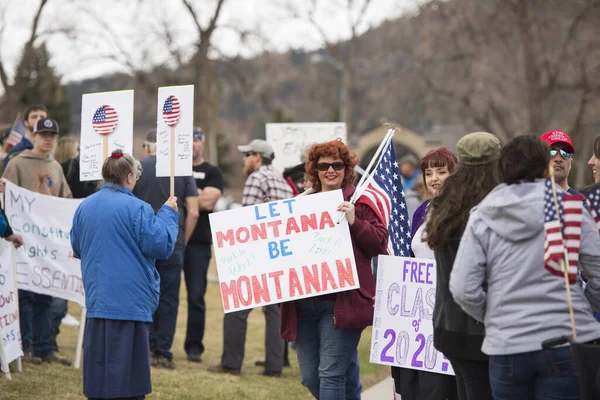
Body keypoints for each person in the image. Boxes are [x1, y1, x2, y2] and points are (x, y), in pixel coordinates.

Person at [450, 135, 600, 400]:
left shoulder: (482, 215)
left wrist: (493, 316)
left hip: (507, 344)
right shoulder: (570, 208)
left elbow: (462, 288)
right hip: (564, 338)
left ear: (502, 170)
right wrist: (585, 306)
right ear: (545, 168)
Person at [280, 139, 389, 399]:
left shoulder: (360, 202)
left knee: (331, 373)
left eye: (337, 165)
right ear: (314, 171)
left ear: (346, 168)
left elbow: (379, 243)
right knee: (310, 377)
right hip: (305, 304)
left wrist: (354, 221)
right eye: (323, 166)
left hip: (342, 303)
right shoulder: (300, 203)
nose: (330, 170)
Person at [71, 149, 179, 400]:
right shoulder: (138, 208)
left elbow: (77, 246)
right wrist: (168, 213)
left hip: (98, 299)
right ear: (129, 177)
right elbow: (161, 245)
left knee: (99, 372)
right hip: (129, 303)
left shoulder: (85, 206)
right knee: (128, 381)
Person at [425, 133, 500, 400]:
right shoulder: (491, 206)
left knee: (466, 389)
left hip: (449, 324)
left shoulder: (445, 204)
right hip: (480, 326)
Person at [209, 139, 293, 377]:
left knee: (237, 308)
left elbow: (247, 218)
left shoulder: (256, 178)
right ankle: (274, 366)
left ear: (257, 157)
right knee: (275, 311)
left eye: (247, 155)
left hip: (257, 253)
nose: (243, 160)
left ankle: (231, 363)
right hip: (279, 253)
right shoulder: (282, 182)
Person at [2, 118, 72, 366]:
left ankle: (43, 348)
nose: (48, 139)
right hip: (22, 241)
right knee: (24, 295)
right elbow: (6, 199)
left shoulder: (56, 167)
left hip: (47, 244)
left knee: (46, 294)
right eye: (43, 134)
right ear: (34, 135)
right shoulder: (17, 163)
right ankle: (24, 345)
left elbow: (65, 201)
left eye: (52, 135)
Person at [392, 147, 458, 400]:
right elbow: (409, 261)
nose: (434, 178)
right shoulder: (422, 210)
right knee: (416, 389)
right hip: (417, 319)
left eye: (441, 171)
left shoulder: (464, 210)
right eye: (429, 172)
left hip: (448, 315)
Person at [133, 130, 198, 369]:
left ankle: (144, 346)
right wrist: (182, 240)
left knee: (143, 294)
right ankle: (163, 351)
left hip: (144, 243)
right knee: (169, 298)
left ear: (149, 146)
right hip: (173, 243)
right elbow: (193, 210)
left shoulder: (138, 167)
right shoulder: (181, 169)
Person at [183, 128, 223, 363]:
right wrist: (196, 194)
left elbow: (209, 201)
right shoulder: (174, 170)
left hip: (199, 243)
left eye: (196, 139)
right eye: (188, 139)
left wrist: (186, 195)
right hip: (174, 238)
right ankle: (156, 341)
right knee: (163, 294)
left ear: (203, 144)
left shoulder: (212, 171)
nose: (192, 144)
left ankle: (194, 346)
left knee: (196, 295)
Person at [50, 134, 81, 353]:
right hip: (58, 239)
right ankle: (47, 338)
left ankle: (49, 337)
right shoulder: (64, 171)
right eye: (76, 151)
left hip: (67, 239)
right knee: (57, 296)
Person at [3, 104, 48, 171]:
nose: (38, 119)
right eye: (34, 117)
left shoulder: (50, 149)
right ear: (26, 122)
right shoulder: (17, 151)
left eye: (42, 117)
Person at [540, 130, 579, 194]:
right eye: (551, 152)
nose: (558, 159)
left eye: (565, 153)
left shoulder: (580, 201)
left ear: (570, 161)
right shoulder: (525, 200)